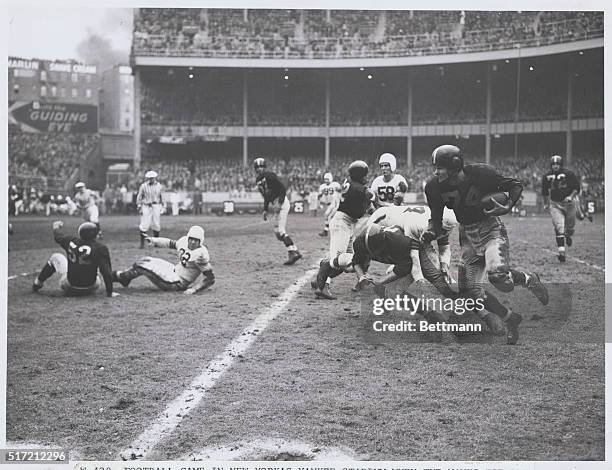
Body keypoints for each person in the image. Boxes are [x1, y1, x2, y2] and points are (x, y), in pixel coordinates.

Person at [422, 144, 549, 345]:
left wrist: (507, 205)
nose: (435, 172)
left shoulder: (481, 173)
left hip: (490, 229)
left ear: (454, 166)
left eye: (439, 167)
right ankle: (510, 319)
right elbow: (436, 220)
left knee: (500, 279)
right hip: (467, 236)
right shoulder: (434, 187)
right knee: (471, 293)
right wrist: (430, 232)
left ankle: (528, 279)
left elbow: (515, 185)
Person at [314, 160, 373, 300]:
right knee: (338, 260)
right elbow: (364, 206)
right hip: (342, 223)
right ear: (359, 175)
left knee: (349, 266)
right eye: (364, 175)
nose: (366, 177)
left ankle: (321, 279)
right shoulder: (359, 189)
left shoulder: (351, 184)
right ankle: (323, 281)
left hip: (347, 223)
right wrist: (371, 197)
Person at [112, 225, 215, 295]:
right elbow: (170, 243)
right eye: (191, 239)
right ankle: (125, 278)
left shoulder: (200, 255)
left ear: (200, 242)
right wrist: (154, 241)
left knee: (143, 267)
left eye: (196, 240)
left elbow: (210, 279)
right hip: (173, 271)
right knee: (145, 260)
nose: (192, 242)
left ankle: (120, 276)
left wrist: (194, 289)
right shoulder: (184, 242)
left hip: (178, 282)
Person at [32, 221, 115, 297]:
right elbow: (106, 272)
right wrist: (110, 292)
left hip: (69, 286)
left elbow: (58, 237)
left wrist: (56, 227)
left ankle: (37, 283)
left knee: (56, 257)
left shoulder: (71, 241)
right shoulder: (100, 248)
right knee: (95, 265)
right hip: (92, 286)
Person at [253, 157, 302, 265]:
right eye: (257, 167)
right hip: (276, 204)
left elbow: (282, 188)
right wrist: (265, 210)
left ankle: (292, 253)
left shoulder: (270, 176)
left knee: (280, 230)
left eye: (261, 166)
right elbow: (266, 196)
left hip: (282, 203)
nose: (259, 169)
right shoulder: (258, 181)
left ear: (265, 167)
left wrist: (279, 202)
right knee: (277, 233)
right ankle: (295, 250)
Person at [541, 155, 581, 262]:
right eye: (553, 164)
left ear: (561, 165)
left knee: (570, 227)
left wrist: (570, 196)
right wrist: (546, 204)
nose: (555, 166)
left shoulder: (569, 174)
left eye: (557, 164)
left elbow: (577, 188)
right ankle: (561, 252)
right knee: (559, 227)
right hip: (555, 204)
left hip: (569, 204)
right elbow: (544, 192)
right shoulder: (547, 176)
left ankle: (568, 235)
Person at [137, 170, 166, 249]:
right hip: (146, 205)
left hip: (156, 205)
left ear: (155, 178)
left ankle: (157, 243)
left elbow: (162, 196)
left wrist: (164, 206)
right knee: (144, 224)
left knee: (156, 224)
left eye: (152, 178)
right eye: (150, 178)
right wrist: (139, 206)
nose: (151, 179)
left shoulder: (159, 186)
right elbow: (139, 197)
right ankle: (142, 243)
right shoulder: (143, 186)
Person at [317, 172, 341, 237]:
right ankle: (327, 231)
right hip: (328, 204)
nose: (326, 181)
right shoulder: (322, 186)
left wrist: (340, 189)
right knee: (327, 216)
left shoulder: (335, 184)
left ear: (331, 179)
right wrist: (319, 201)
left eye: (327, 179)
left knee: (329, 216)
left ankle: (331, 231)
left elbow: (340, 191)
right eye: (325, 179)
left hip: (335, 203)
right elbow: (320, 195)